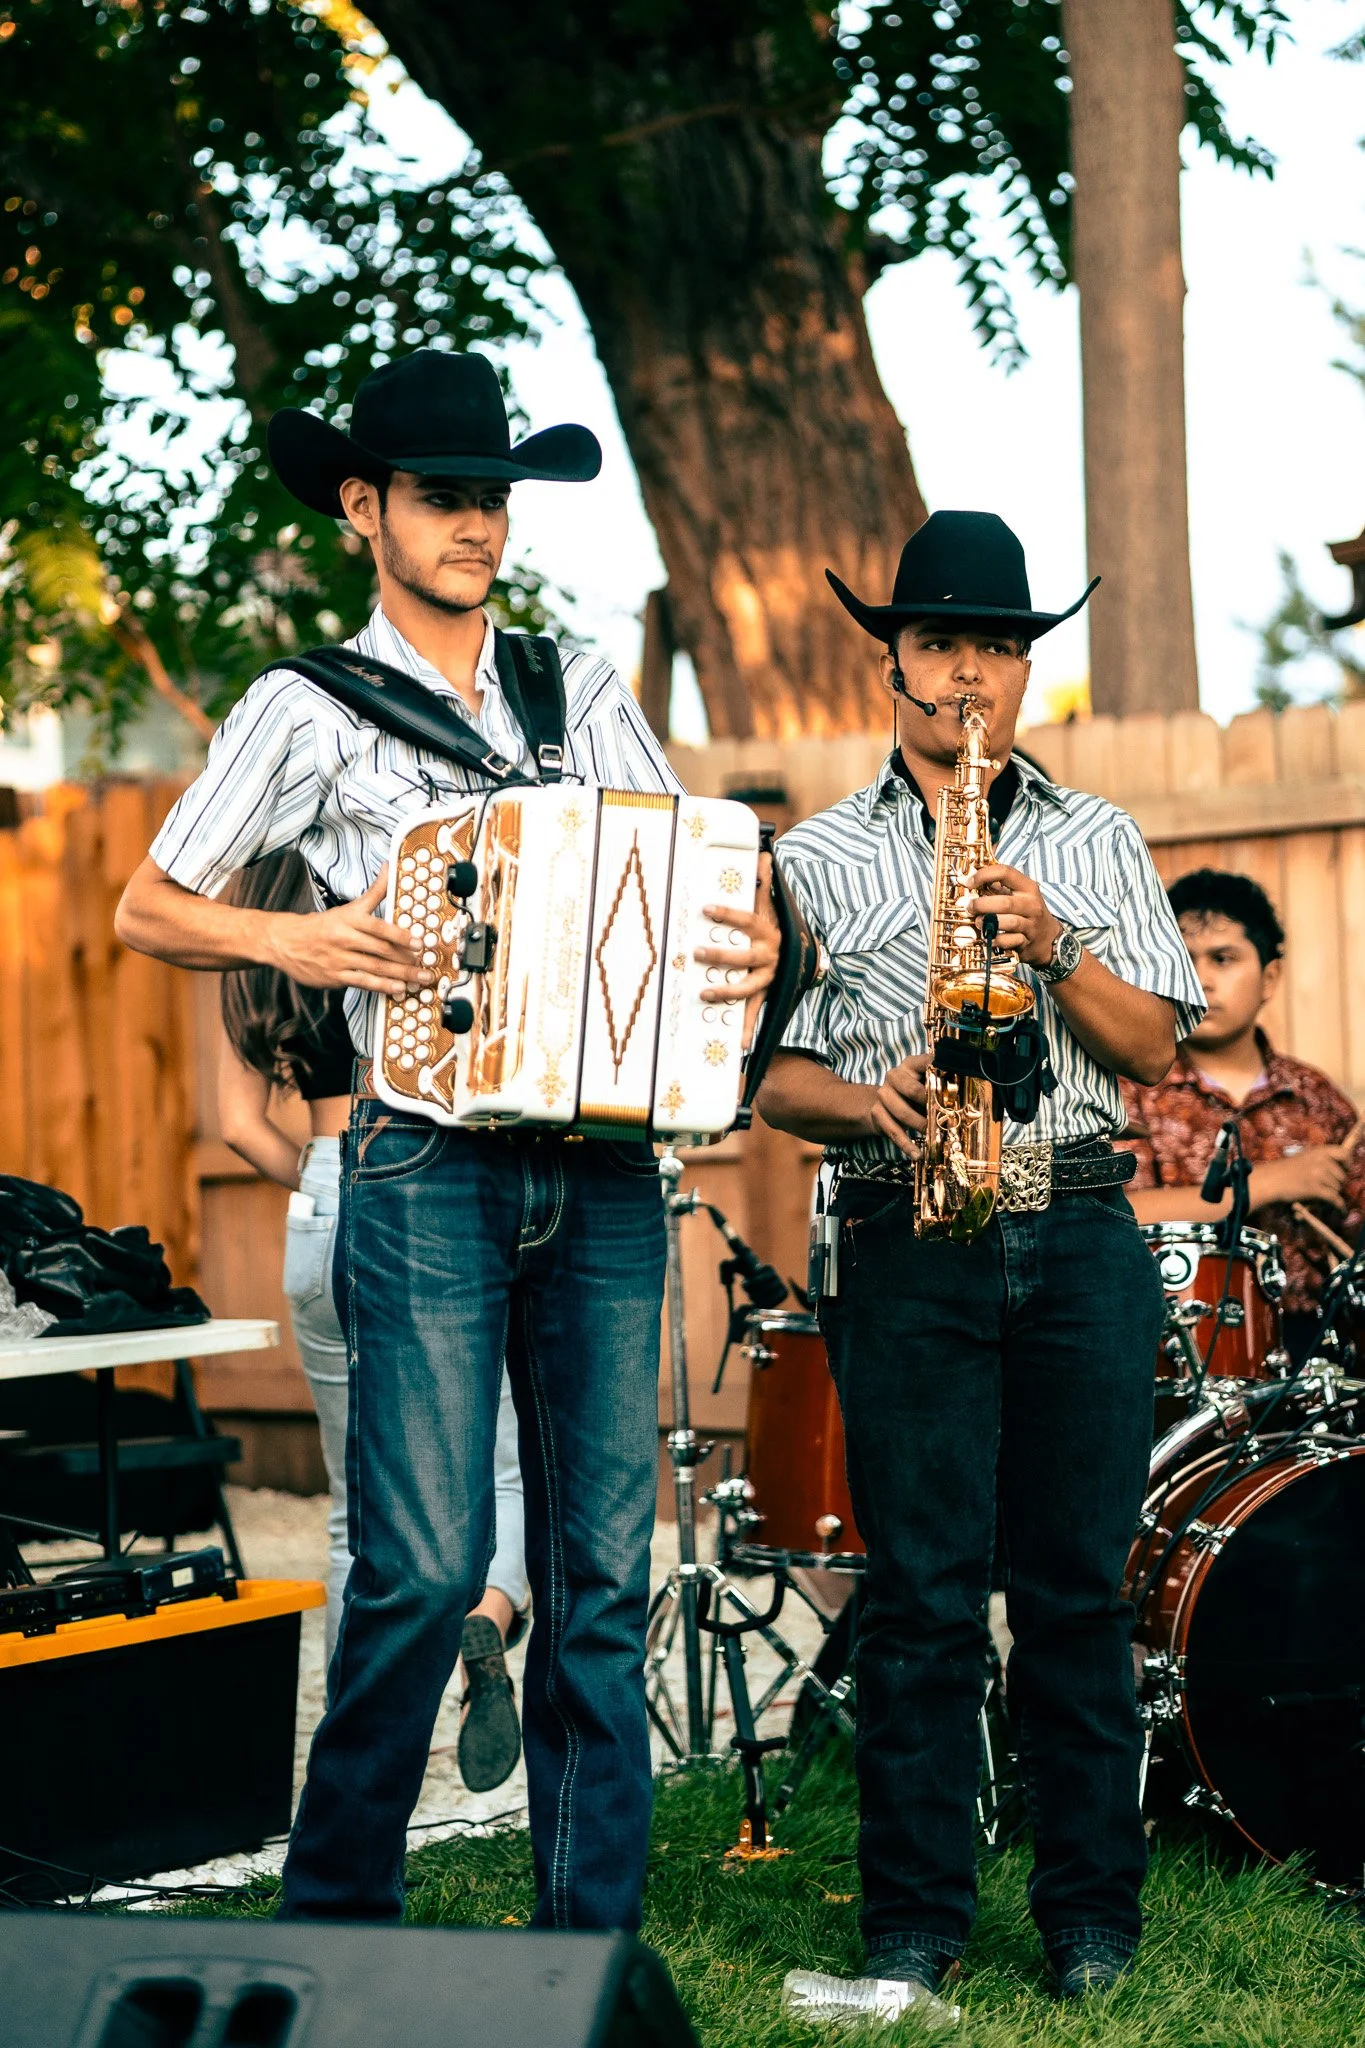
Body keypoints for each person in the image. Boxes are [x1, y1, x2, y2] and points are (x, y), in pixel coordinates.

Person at [113, 347, 779, 1930]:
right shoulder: (304, 706)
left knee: (603, 1587)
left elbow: (681, 867)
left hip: (606, 1164)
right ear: (365, 507)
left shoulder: (580, 687)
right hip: (424, 1158)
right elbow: (150, 905)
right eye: (440, 495)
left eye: (492, 495)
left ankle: (586, 1957)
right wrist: (309, 945)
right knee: (415, 1577)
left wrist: (754, 939)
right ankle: (335, 1935)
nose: (475, 521)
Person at [758, 511, 1204, 2010]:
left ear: (1024, 673)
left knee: (1076, 1592)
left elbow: (1154, 1048)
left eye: (996, 650)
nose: (967, 675)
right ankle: (912, 1925)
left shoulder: (1097, 840)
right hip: (907, 1224)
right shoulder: (813, 858)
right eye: (940, 644)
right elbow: (769, 1079)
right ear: (892, 658)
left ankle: (1088, 1918)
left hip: (1074, 1220)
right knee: (924, 1598)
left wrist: (1056, 942)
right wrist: (865, 1101)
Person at [217, 850, 529, 1792]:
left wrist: (322, 1187)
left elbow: (239, 1126)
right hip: (422, 1187)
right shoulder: (381, 927)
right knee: (503, 1469)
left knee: (356, 1506)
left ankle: (353, 1763)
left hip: (317, 1204)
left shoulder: (249, 952)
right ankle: (488, 1611)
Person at [1118, 868, 1365, 1364]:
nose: (1201, 978)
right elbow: (1120, 1217)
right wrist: (1268, 1183)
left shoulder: (1318, 1098)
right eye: (1183, 959)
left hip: (1316, 1351)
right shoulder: (1128, 1092)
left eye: (1223, 959)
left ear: (1269, 977)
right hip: (1171, 1351)